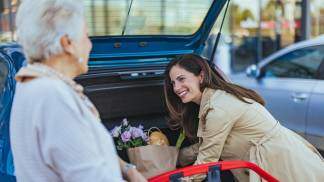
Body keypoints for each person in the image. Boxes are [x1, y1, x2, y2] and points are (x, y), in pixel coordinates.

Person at [9, 0, 146, 181]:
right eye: (86, 36)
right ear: (67, 43)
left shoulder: (30, 84)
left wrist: (128, 170)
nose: (90, 45)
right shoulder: (53, 97)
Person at [164, 54, 324, 181]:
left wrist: (175, 179)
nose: (176, 88)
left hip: (282, 164)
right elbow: (209, 143)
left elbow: (206, 161)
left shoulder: (218, 108)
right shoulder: (214, 100)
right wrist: (174, 158)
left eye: (181, 79)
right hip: (280, 157)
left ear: (201, 76)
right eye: (173, 83)